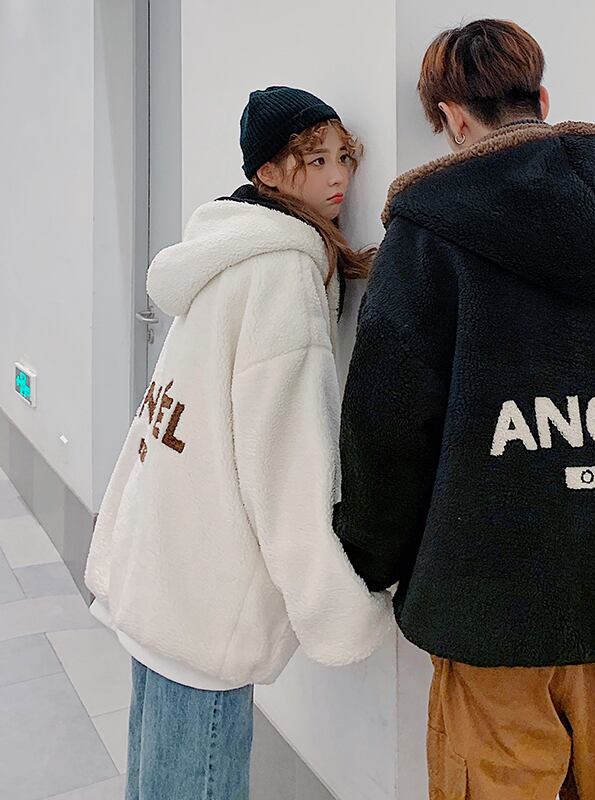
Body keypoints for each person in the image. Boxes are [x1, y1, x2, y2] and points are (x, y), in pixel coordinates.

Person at [333, 20, 595, 800]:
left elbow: (386, 436)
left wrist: (369, 557)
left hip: (489, 619)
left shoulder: (426, 237)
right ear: (542, 99)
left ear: (452, 116)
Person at [85, 86, 392, 800]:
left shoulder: (223, 257)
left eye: (343, 157)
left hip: (163, 572)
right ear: (270, 174)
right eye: (315, 160)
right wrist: (339, 610)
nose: (338, 177)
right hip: (207, 598)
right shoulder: (281, 273)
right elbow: (287, 467)